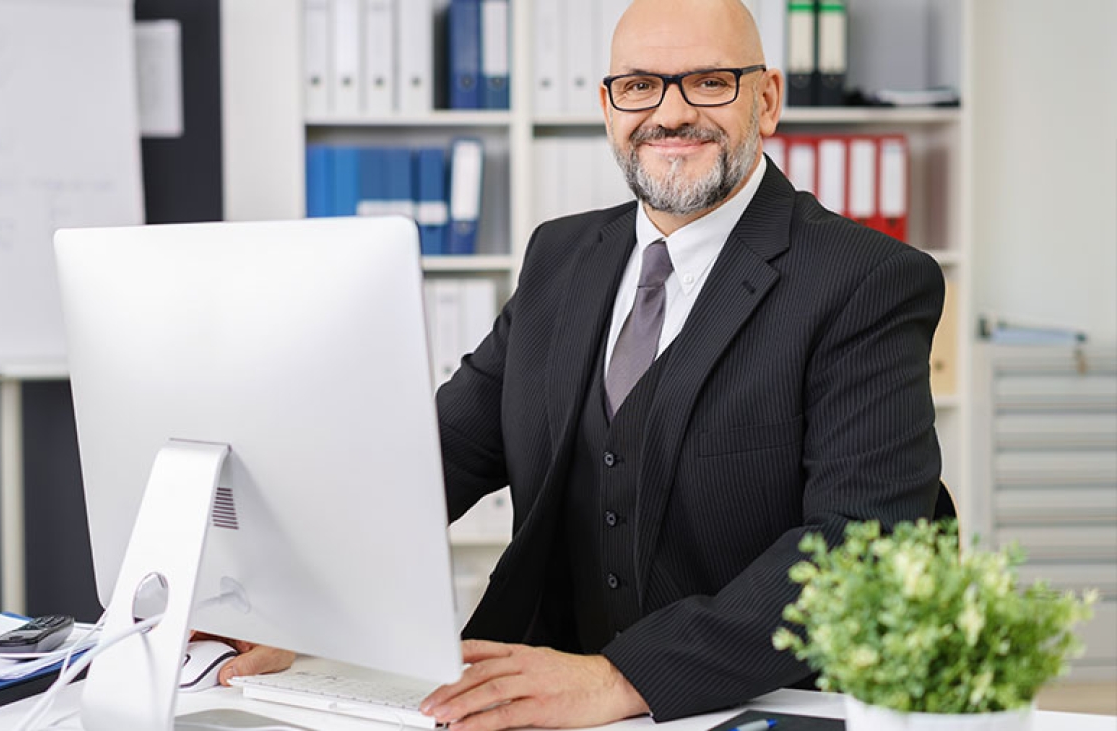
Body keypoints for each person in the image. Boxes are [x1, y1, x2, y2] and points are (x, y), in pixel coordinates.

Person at [217, 0, 945, 728]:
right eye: (639, 86)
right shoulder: (559, 258)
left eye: (710, 82)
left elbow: (863, 543)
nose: (671, 112)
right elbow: (435, 458)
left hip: (749, 705)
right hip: (534, 698)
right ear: (607, 106)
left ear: (768, 99)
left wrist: (622, 677)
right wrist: (286, 607)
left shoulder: (865, 280)